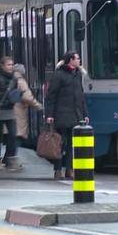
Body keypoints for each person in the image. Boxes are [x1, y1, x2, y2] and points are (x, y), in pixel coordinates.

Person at [45, 51, 89, 180]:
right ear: (71, 60)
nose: (79, 61)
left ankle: (69, 169)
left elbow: (81, 96)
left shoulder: (77, 75)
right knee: (60, 143)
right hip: (62, 115)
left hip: (75, 115)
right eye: (77, 59)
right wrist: (49, 114)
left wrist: (85, 114)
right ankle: (58, 169)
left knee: (71, 144)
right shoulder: (59, 75)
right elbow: (51, 96)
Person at [0, 56, 20, 172]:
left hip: (10, 109)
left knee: (12, 134)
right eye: (8, 65)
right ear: (2, 66)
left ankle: (9, 159)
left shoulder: (14, 79)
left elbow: (14, 93)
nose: (11, 67)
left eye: (12, 65)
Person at [13, 63, 43, 148]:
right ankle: (14, 157)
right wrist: (38, 106)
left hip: (10, 113)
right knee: (18, 136)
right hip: (19, 113)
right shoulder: (21, 81)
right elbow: (27, 97)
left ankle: (10, 157)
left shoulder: (9, 79)